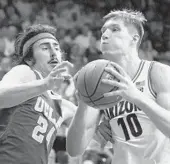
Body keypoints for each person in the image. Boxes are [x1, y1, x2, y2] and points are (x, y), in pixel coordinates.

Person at [67, 9, 170, 164]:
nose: (105, 34)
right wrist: (82, 104)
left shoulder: (156, 72)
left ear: (134, 39)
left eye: (115, 29)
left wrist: (137, 97)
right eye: (103, 31)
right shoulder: (98, 83)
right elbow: (74, 149)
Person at [0, 24, 77, 164]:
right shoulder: (25, 72)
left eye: (57, 48)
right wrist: (44, 85)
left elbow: (102, 139)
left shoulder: (65, 107)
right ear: (29, 59)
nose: (54, 53)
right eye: (45, 48)